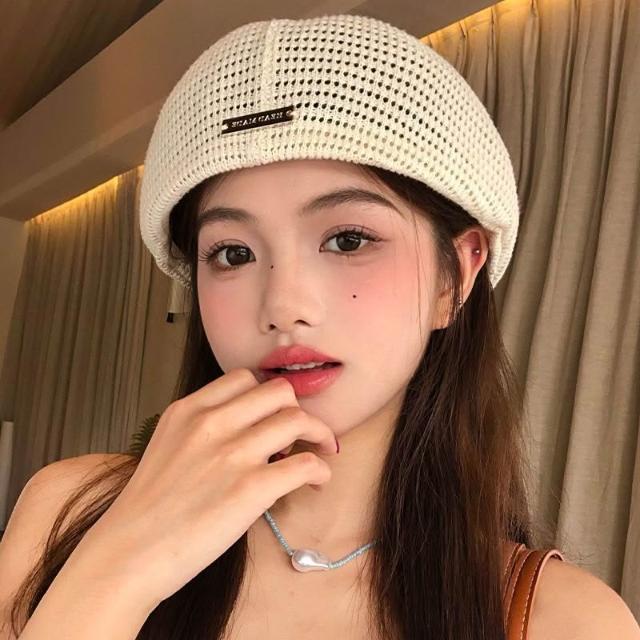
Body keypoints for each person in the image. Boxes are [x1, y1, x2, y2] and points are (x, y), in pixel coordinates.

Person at [1, 12, 639, 640]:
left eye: (348, 239)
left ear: (457, 276)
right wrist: (120, 569)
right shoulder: (67, 512)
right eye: (233, 253)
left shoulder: (567, 621)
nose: (283, 305)